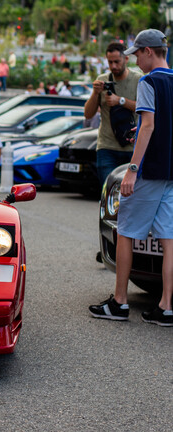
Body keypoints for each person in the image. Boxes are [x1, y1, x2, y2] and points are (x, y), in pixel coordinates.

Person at [89, 29, 172, 326]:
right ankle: (166, 307)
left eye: (138, 53)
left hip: (149, 170)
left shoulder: (149, 81)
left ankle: (120, 302)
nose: (136, 59)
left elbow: (148, 125)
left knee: (124, 230)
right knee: (169, 239)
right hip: (171, 173)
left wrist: (132, 170)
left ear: (149, 51)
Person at [84, 42, 141, 186]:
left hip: (132, 147)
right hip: (107, 147)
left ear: (126, 59)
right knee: (108, 191)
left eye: (117, 61)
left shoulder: (138, 80)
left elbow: (145, 109)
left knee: (130, 195)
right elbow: (88, 114)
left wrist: (120, 101)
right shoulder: (102, 80)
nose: (113, 66)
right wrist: (95, 93)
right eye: (110, 62)